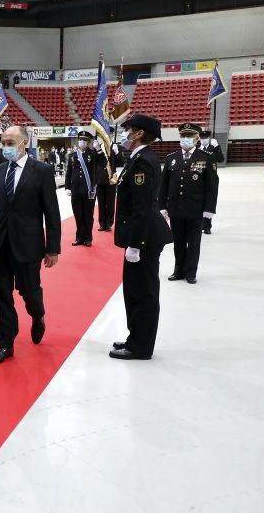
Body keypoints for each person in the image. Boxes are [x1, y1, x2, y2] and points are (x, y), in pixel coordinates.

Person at [0, 126, 61, 365]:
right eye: (3, 142)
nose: (6, 147)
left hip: (28, 244)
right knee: (2, 296)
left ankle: (38, 316)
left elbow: (51, 211)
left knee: (29, 292)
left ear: (24, 142)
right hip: (0, 245)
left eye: (10, 142)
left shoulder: (42, 171)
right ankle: (6, 343)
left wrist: (52, 247)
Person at [110, 114, 173, 360]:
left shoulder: (143, 162)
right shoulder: (136, 159)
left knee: (143, 292)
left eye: (128, 130)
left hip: (144, 239)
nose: (124, 134)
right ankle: (134, 336)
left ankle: (141, 346)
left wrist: (135, 245)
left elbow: (142, 208)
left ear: (138, 134)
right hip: (140, 236)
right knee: (133, 290)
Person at [160, 123, 218, 285]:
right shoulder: (171, 158)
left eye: (190, 136)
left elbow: (212, 187)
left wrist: (209, 210)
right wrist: (162, 206)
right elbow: (163, 185)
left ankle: (191, 272)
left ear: (197, 138)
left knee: (193, 243)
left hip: (195, 209)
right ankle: (178, 270)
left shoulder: (206, 158)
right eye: (183, 136)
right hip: (176, 209)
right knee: (178, 242)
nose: (186, 139)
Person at [65, 130, 107, 246]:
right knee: (78, 215)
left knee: (88, 215)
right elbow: (69, 172)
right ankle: (79, 237)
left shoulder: (93, 154)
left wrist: (98, 149)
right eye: (80, 140)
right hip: (76, 190)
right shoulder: (72, 155)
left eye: (85, 140)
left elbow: (104, 163)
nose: (82, 142)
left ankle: (88, 238)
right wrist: (67, 187)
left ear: (88, 142)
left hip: (89, 190)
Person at [198, 130, 224, 234]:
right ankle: (199, 225)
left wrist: (217, 147)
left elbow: (221, 159)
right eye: (202, 138)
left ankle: (207, 226)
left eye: (206, 138)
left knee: (209, 201)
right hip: (199, 178)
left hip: (212, 178)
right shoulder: (197, 149)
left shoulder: (213, 148)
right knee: (199, 202)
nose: (204, 140)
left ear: (209, 138)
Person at [96, 140, 120, 232]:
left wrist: (117, 153)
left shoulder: (114, 147)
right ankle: (102, 223)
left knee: (110, 203)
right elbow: (95, 162)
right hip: (100, 179)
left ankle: (109, 223)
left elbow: (120, 162)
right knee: (101, 203)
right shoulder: (98, 147)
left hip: (111, 179)